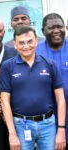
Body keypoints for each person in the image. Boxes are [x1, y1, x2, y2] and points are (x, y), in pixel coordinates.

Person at [0, 26, 66, 150]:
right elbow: (4, 101)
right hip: (21, 125)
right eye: (21, 43)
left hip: (48, 125)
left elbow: (60, 98)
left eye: (30, 41)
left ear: (36, 41)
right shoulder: (7, 66)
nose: (26, 46)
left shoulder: (50, 64)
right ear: (15, 45)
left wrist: (61, 130)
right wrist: (12, 134)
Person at [36, 13, 68, 148]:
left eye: (60, 26)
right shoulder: (36, 52)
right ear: (43, 31)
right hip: (48, 117)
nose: (56, 31)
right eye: (51, 27)